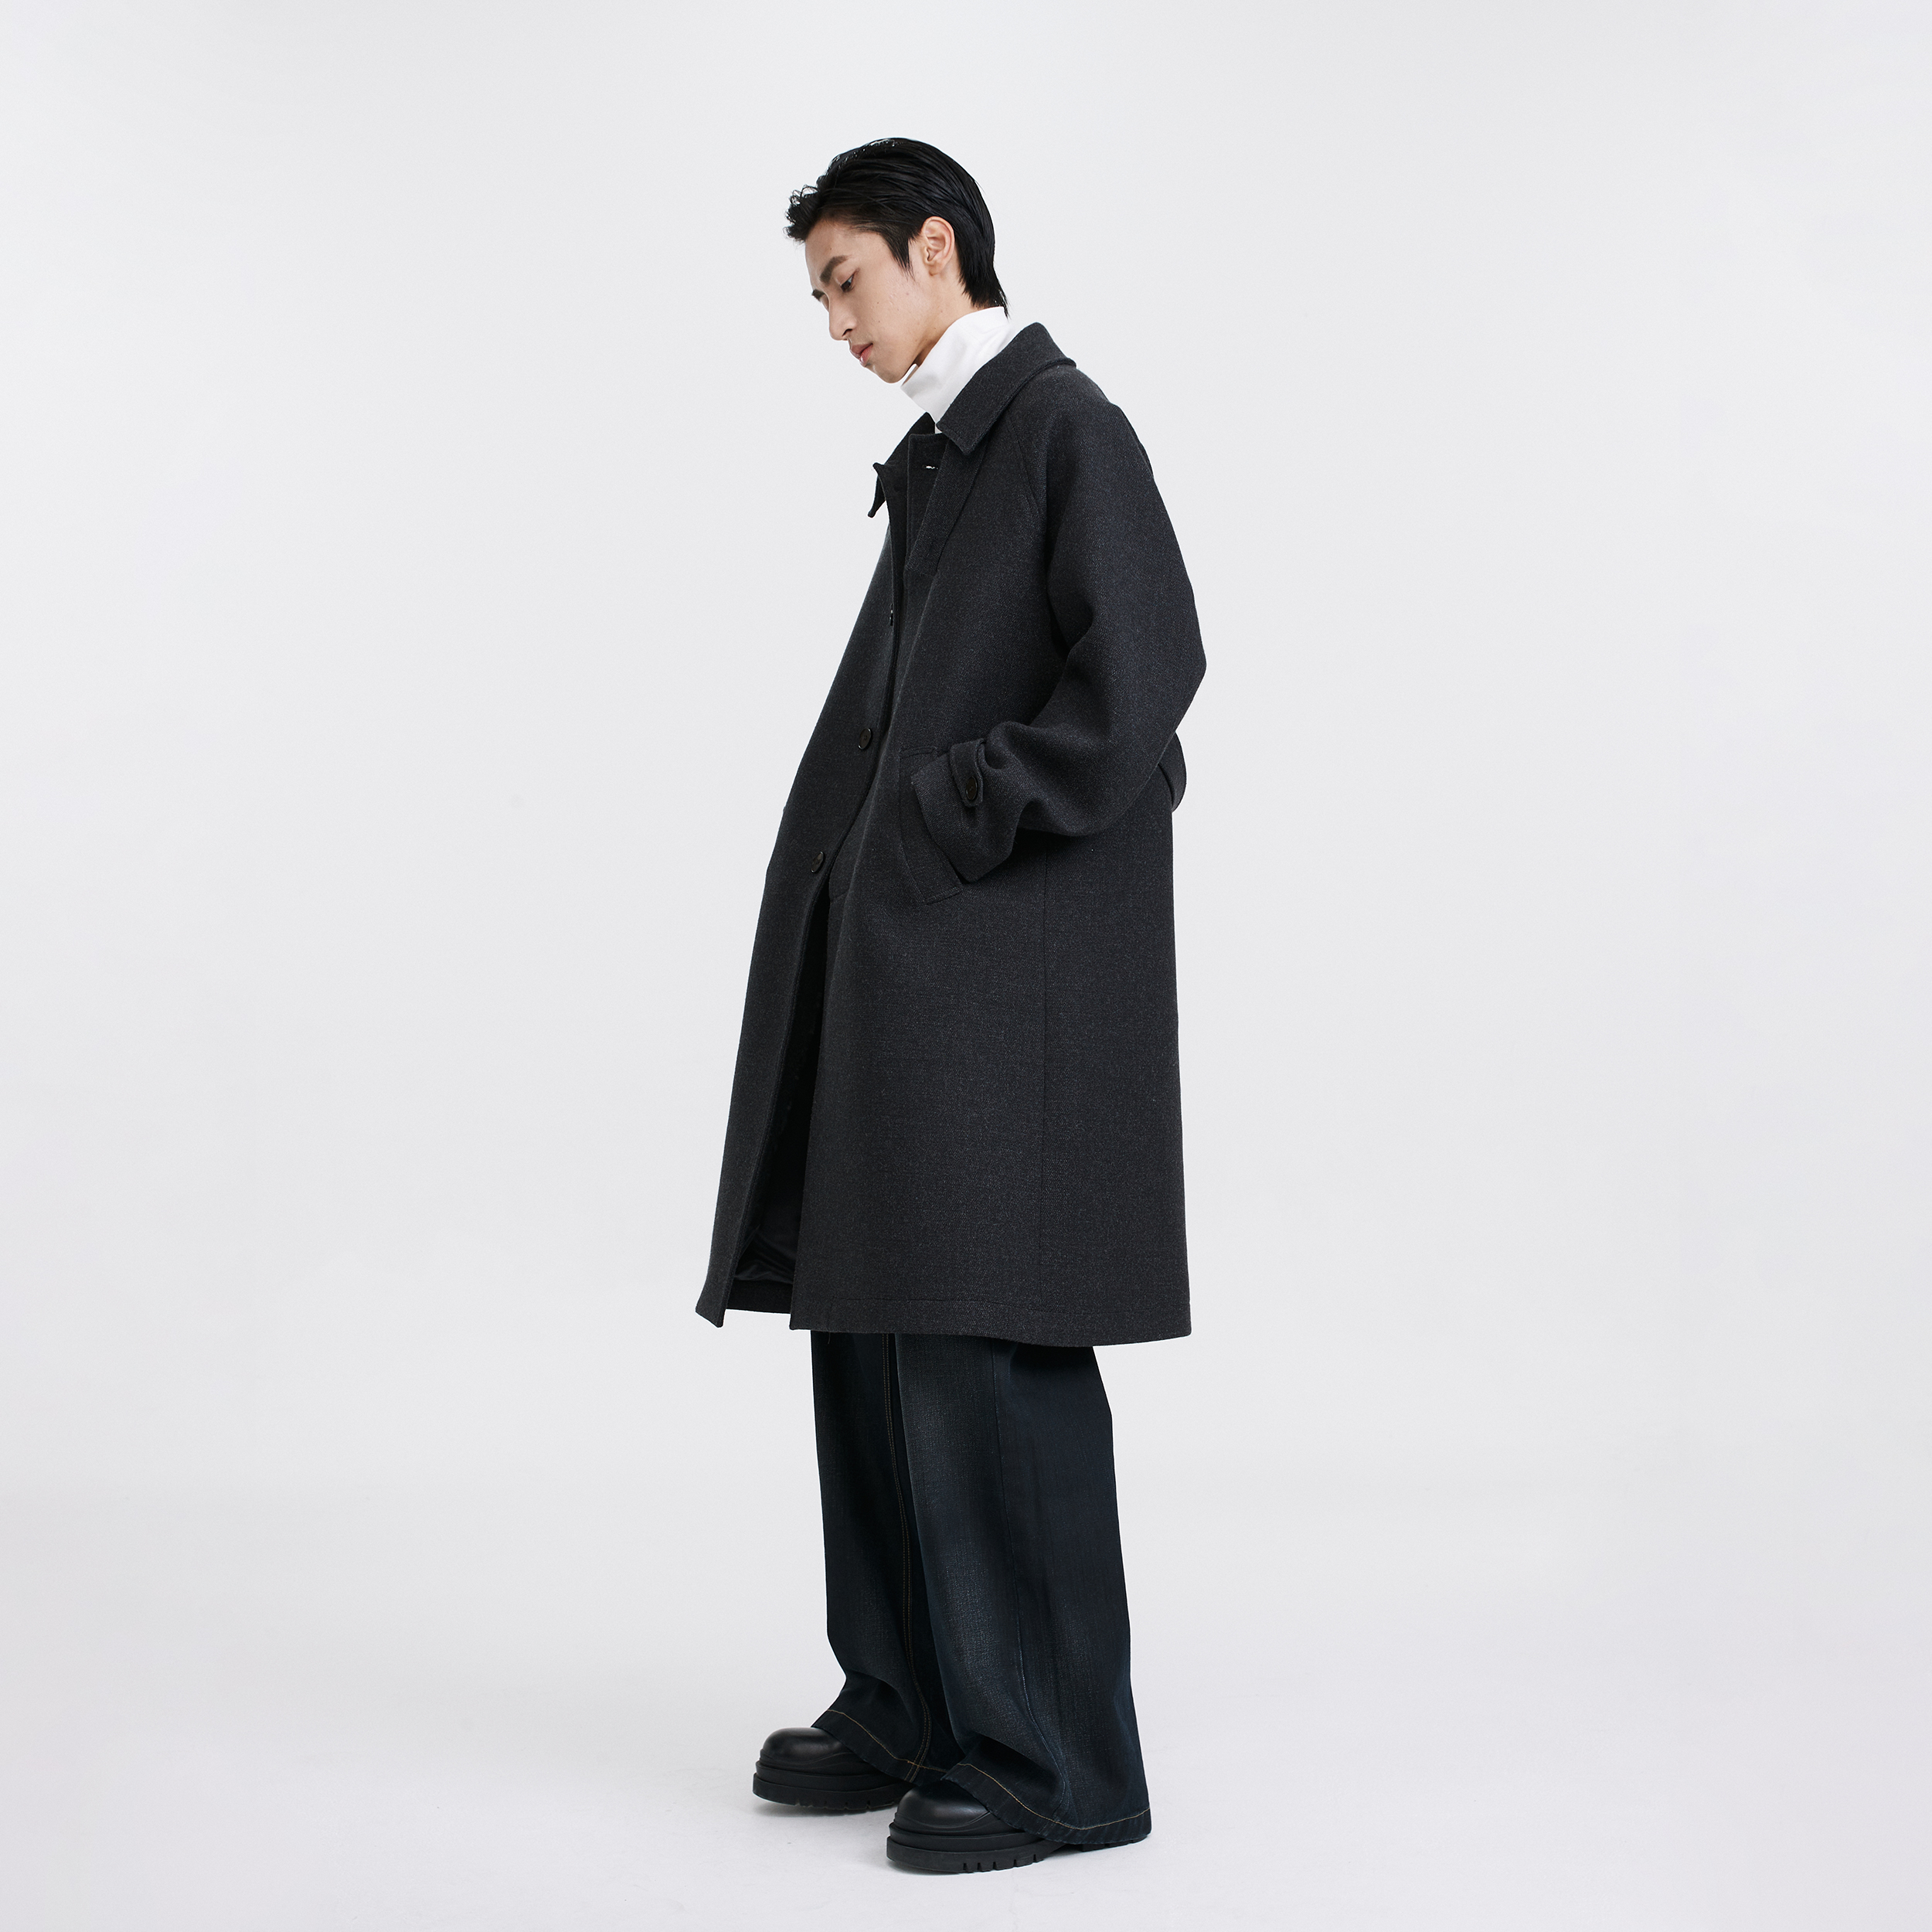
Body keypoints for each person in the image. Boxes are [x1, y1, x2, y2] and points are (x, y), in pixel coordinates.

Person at [696, 137, 1205, 1875]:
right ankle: (911, 1698)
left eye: (845, 281)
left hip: (1002, 988)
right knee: (870, 1327)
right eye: (818, 296)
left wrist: (952, 812)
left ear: (937, 247)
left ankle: (1055, 1757)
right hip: (913, 973)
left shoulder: (1060, 428)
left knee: (986, 1343)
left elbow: (1146, 677)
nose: (834, 322)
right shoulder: (944, 453)